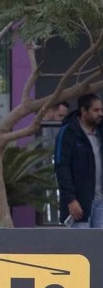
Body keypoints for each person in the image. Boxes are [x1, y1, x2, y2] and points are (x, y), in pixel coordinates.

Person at [55, 93, 103, 228]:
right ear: (83, 111)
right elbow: (61, 167)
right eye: (96, 110)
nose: (100, 113)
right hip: (79, 204)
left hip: (100, 201)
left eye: (101, 109)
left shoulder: (100, 131)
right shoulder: (68, 132)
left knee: (99, 247)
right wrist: (70, 199)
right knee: (81, 246)